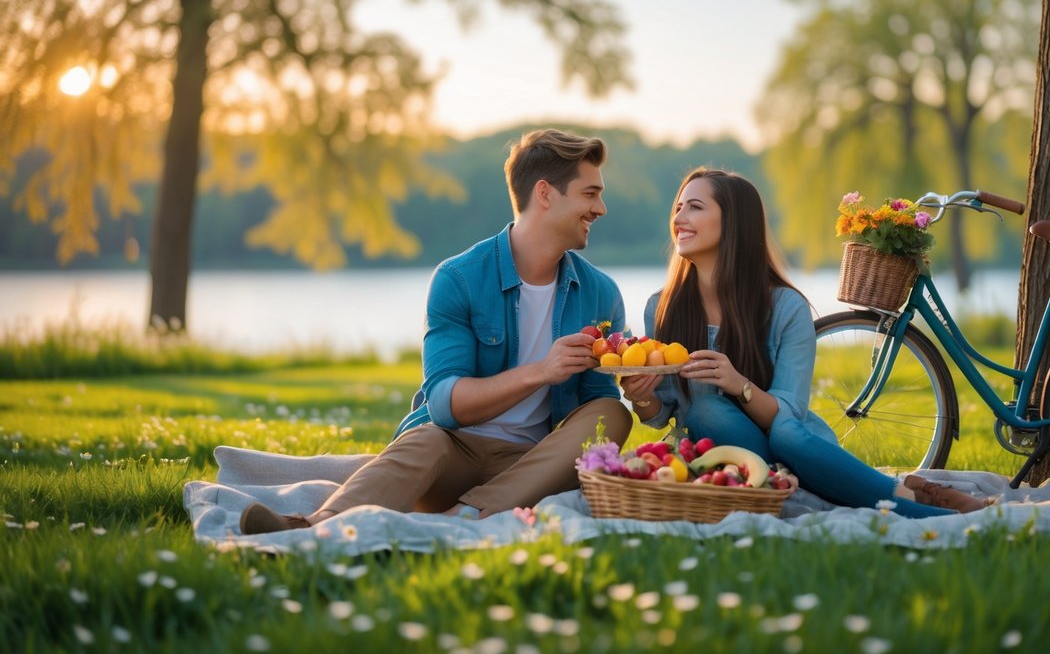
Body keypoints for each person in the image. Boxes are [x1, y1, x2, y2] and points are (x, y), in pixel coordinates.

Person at [240, 129, 633, 534]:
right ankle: (310, 526)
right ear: (545, 193)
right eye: (590, 194)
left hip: (533, 464)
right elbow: (444, 402)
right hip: (452, 451)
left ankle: (462, 518)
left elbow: (595, 406)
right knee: (425, 439)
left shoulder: (600, 293)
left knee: (611, 414)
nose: (600, 208)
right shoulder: (459, 278)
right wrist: (542, 370)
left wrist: (641, 391)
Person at [620, 168, 991, 517]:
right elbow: (663, 413)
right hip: (717, 449)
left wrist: (739, 385)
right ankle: (907, 496)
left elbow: (789, 412)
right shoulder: (662, 307)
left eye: (695, 207)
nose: (679, 217)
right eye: (679, 207)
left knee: (785, 431)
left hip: (795, 445)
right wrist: (641, 396)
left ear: (733, 223)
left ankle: (908, 505)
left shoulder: (785, 307)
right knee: (705, 413)